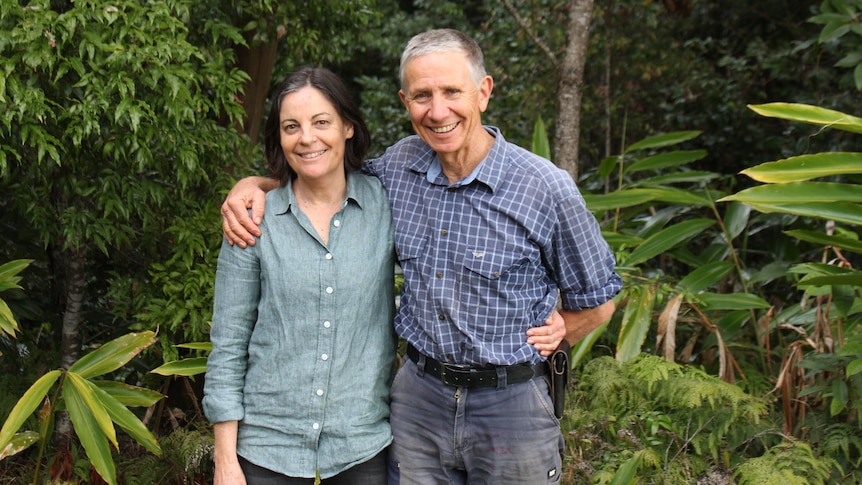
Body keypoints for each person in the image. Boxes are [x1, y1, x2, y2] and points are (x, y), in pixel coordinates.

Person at [222, 29, 622, 484]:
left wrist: (565, 327)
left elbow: (601, 297)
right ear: (404, 100)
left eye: (452, 92)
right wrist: (254, 186)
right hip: (419, 401)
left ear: (484, 92)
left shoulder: (544, 188)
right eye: (422, 95)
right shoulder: (398, 168)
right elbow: (322, 176)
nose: (438, 110)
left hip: (510, 403)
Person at [202, 67, 397, 485]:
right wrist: (225, 461)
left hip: (361, 445)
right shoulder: (252, 219)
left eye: (321, 122)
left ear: (348, 126)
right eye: (292, 127)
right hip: (266, 449)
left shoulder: (387, 204)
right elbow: (229, 344)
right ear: (280, 138)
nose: (307, 138)